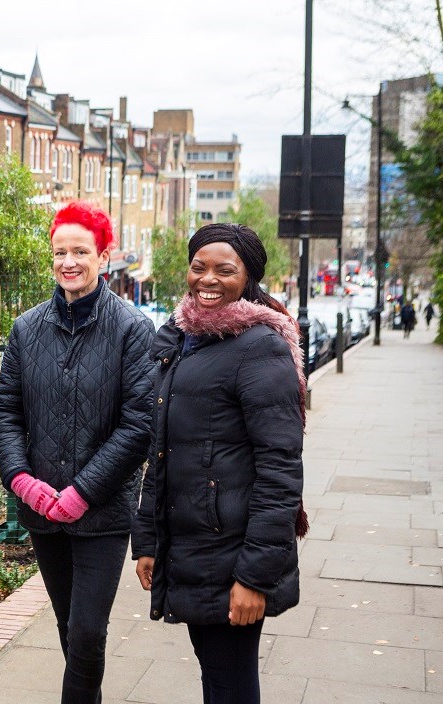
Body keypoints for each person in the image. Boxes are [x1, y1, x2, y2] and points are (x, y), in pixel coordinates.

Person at [131, 223, 306, 704]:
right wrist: (148, 541)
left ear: (247, 277)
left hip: (231, 555)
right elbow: (161, 452)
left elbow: (280, 470)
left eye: (224, 270)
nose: (208, 279)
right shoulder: (184, 339)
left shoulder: (259, 346)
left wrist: (254, 576)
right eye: (198, 266)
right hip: (192, 547)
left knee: (230, 685)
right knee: (218, 677)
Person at [0, 201, 155, 704]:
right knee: (68, 625)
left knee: (87, 631)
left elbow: (140, 422)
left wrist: (83, 492)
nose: (68, 262)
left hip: (102, 512)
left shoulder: (132, 329)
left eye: (80, 251)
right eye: (59, 252)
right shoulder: (26, 328)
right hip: (43, 512)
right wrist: (23, 481)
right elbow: (5, 411)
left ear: (103, 256)